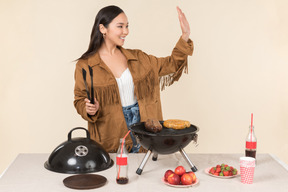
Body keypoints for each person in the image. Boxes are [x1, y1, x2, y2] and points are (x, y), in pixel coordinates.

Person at [74, 5, 193, 153]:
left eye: (127, 26)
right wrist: (89, 109)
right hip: (110, 131)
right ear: (103, 28)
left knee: (145, 169)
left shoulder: (138, 58)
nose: (126, 31)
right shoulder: (86, 65)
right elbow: (80, 98)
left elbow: (171, 64)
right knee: (116, 171)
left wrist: (185, 35)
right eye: (120, 26)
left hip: (144, 126)